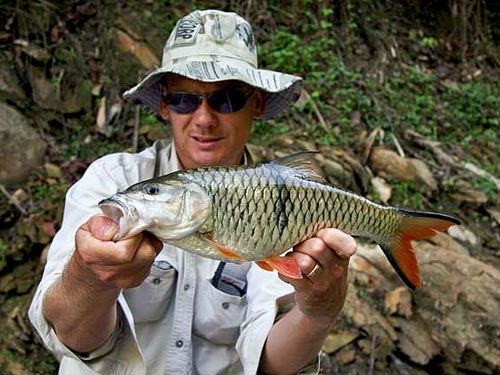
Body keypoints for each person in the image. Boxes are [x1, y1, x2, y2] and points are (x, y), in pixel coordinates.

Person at [29, 9, 357, 375]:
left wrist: (318, 312)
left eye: (227, 99)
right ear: (165, 105)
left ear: (257, 104)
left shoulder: (281, 202)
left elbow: (272, 365)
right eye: (185, 99)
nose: (204, 119)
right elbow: (68, 336)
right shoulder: (111, 180)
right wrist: (90, 276)